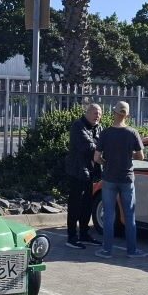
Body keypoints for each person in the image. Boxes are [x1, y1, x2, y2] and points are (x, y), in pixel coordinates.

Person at [93, 101, 146, 258]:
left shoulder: (106, 133)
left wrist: (106, 163)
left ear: (114, 113)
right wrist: (129, 156)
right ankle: (132, 250)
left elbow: (96, 157)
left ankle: (106, 250)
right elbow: (141, 156)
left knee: (109, 216)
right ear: (127, 116)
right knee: (130, 215)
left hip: (109, 178)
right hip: (127, 178)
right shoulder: (132, 133)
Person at [65, 103, 103, 249]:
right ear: (87, 113)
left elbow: (101, 144)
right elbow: (88, 146)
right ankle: (71, 236)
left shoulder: (99, 127)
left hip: (91, 172)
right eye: (94, 112)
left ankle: (84, 234)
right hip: (77, 171)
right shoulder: (78, 125)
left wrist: (101, 148)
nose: (97, 115)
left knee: (87, 204)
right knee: (75, 204)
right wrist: (101, 148)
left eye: (99, 113)